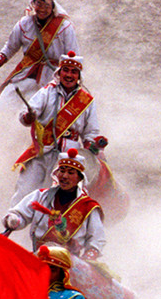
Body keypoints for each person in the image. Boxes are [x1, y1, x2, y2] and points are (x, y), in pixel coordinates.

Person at [10, 52, 106, 205]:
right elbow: (24, 115)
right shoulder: (46, 92)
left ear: (79, 76)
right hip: (42, 150)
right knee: (24, 190)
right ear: (59, 72)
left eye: (74, 72)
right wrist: (29, 116)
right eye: (66, 70)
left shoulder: (86, 101)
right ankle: (12, 223)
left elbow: (91, 132)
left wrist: (93, 147)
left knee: (56, 200)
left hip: (68, 159)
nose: (69, 75)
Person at [4, 148, 105, 259]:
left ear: (79, 178)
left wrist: (88, 258)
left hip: (69, 263)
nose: (64, 176)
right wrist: (13, 220)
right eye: (62, 171)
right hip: (40, 256)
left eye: (70, 173)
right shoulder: (41, 196)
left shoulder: (88, 206)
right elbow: (20, 214)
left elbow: (97, 240)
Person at [0, 0, 80, 102]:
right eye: (39, 4)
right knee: (4, 100)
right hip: (26, 72)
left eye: (47, 5)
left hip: (53, 77)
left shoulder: (65, 27)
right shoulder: (24, 23)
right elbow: (10, 47)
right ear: (33, 4)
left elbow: (74, 57)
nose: (42, 9)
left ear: (53, 7)